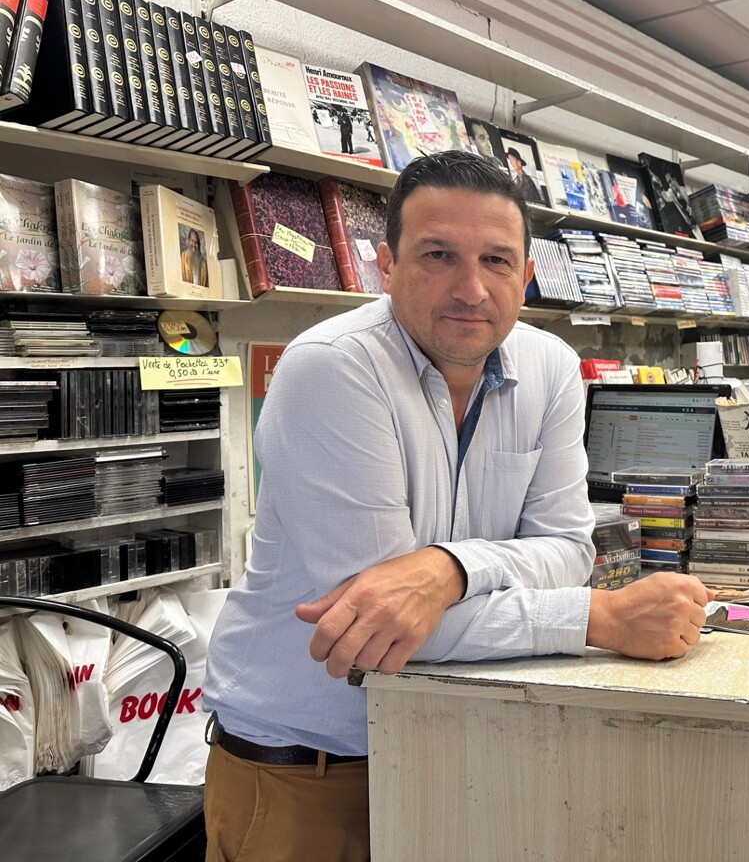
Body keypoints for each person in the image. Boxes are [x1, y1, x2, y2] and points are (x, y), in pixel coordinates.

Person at [202, 151, 710, 862]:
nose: (471, 289)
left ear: (525, 276)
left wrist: (445, 570)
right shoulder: (332, 367)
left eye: (497, 261)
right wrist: (600, 617)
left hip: (467, 740)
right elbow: (379, 629)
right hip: (313, 768)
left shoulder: (551, 368)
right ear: (387, 265)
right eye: (438, 254)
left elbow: (570, 551)